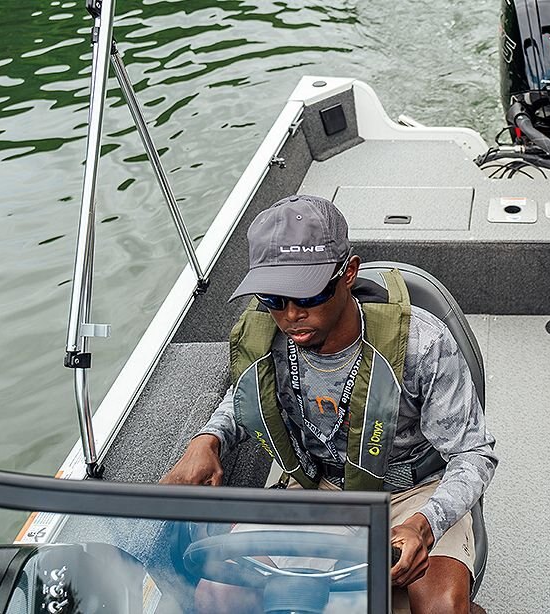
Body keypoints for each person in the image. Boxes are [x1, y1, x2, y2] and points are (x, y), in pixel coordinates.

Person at [162, 194, 497, 614]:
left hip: (414, 492)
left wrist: (425, 523)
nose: (290, 315)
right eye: (273, 298)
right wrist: (208, 439)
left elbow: (473, 454)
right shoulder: (267, 337)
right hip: (316, 485)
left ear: (348, 273)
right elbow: (248, 393)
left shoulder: (423, 343)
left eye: (306, 295)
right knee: (217, 594)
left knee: (442, 608)